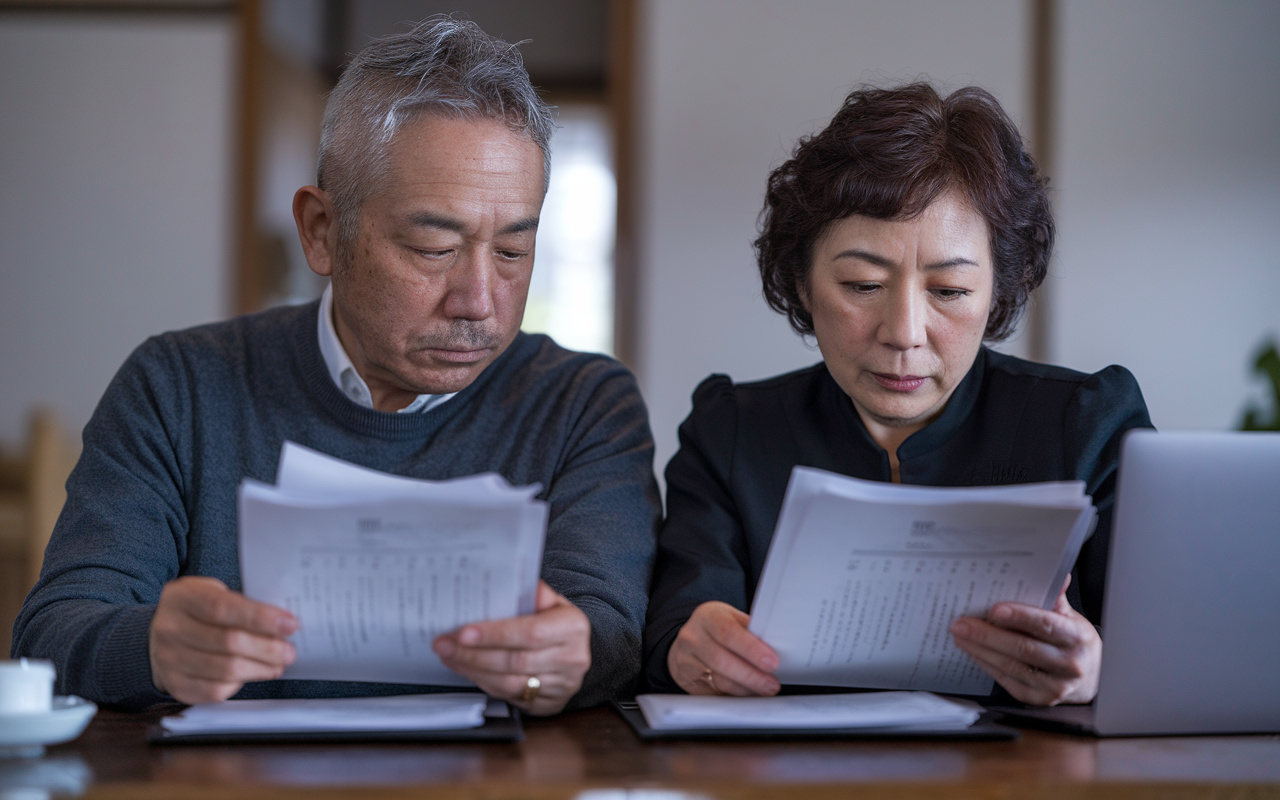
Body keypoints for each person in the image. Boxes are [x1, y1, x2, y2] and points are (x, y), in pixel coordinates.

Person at [12, 16, 660, 716]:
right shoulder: (180, 386)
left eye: (512, 251)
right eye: (434, 248)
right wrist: (155, 648)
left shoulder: (582, 403)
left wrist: (568, 658)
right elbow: (53, 634)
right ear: (322, 232)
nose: (480, 303)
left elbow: (612, 630)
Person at [642, 83, 1153, 707]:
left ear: (999, 290)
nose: (904, 334)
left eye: (950, 291)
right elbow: (675, 625)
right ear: (803, 283)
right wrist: (689, 648)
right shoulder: (734, 433)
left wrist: (1102, 670)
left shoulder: (1085, 427)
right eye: (862, 284)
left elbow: (1185, 645)